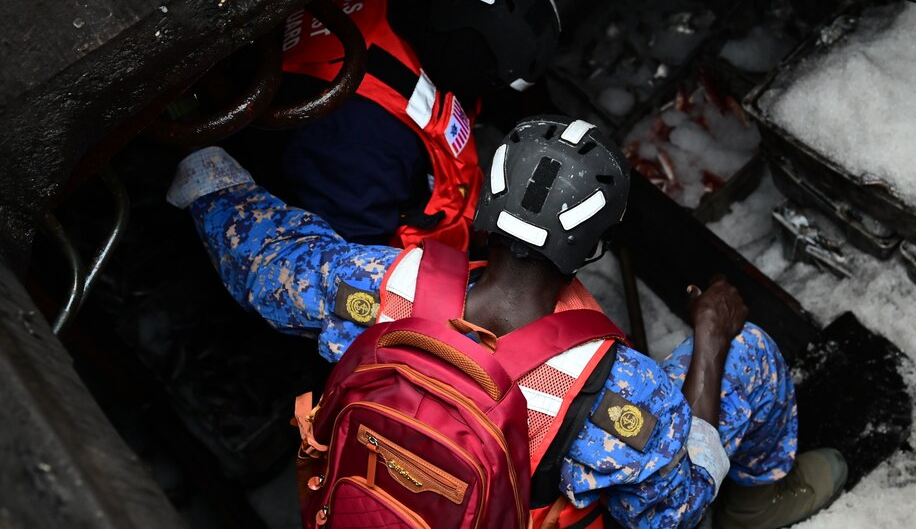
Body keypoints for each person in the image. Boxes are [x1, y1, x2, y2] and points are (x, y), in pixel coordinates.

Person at [167, 115, 847, 528]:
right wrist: (710, 341)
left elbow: (263, 264)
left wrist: (207, 175)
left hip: (378, 504)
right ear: (594, 250)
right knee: (750, 355)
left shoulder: (378, 287)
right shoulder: (614, 394)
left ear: (487, 210)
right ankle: (757, 508)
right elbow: (672, 508)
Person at [276, 0, 561, 250]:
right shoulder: (366, 137)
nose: (489, 90)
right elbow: (347, 256)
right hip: (360, 223)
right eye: (493, 82)